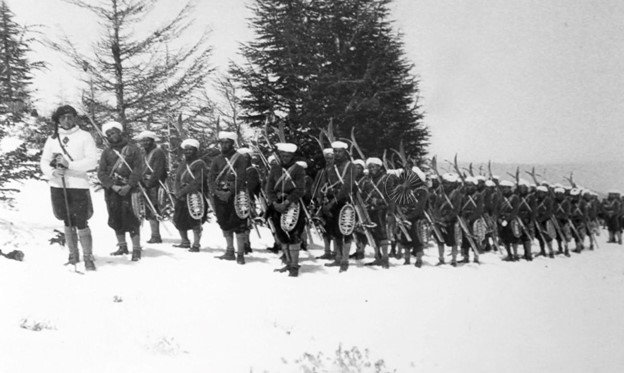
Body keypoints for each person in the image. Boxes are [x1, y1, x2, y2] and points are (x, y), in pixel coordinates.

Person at [40, 105, 99, 270]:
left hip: (78, 185)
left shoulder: (84, 136)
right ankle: (73, 254)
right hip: (59, 185)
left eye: (70, 116)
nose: (67, 120)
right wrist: (52, 172)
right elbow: (44, 161)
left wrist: (69, 165)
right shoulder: (52, 139)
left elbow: (92, 161)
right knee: (66, 219)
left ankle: (88, 257)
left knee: (81, 220)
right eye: (63, 117)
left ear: (75, 118)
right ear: (58, 120)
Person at [97, 121, 144, 261]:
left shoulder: (133, 149)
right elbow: (101, 172)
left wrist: (129, 185)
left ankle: (136, 249)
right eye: (109, 134)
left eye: (114, 132)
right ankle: (122, 246)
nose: (112, 136)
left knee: (133, 219)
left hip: (130, 190)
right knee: (115, 217)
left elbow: (138, 169)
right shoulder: (106, 152)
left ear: (120, 132)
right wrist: (113, 186)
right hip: (113, 190)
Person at [208, 131, 249, 264]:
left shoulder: (240, 158)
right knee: (224, 222)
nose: (224, 145)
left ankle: (241, 254)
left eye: (227, 142)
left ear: (232, 143)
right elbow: (211, 178)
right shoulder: (217, 159)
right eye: (222, 142)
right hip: (220, 195)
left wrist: (229, 191)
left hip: (236, 195)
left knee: (238, 224)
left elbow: (241, 178)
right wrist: (216, 192)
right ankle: (229, 250)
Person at [265, 142, 306, 276]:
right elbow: (269, 188)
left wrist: (287, 202)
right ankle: (288, 263)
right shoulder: (275, 168)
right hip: (277, 204)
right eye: (283, 155)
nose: (285, 158)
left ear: (292, 156)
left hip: (293, 204)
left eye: (288, 156)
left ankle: (294, 266)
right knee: (281, 234)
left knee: (293, 234)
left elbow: (300, 190)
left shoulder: (298, 169)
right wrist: (274, 203)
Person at [172, 138, 207, 252]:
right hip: (181, 196)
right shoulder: (182, 163)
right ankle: (185, 241)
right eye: (186, 150)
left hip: (194, 195)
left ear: (196, 151)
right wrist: (177, 191)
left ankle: (196, 244)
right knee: (179, 218)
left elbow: (197, 181)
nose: (187, 152)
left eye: (190, 150)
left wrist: (184, 191)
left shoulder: (200, 164)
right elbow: (177, 179)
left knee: (195, 218)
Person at [136, 130, 168, 244]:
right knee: (148, 208)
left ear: (152, 140)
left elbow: (158, 171)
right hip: (145, 184)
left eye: (147, 140)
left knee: (154, 208)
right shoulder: (143, 153)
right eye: (143, 140)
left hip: (155, 185)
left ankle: (156, 235)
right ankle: (154, 234)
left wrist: (149, 184)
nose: (145, 143)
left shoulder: (158, 152)